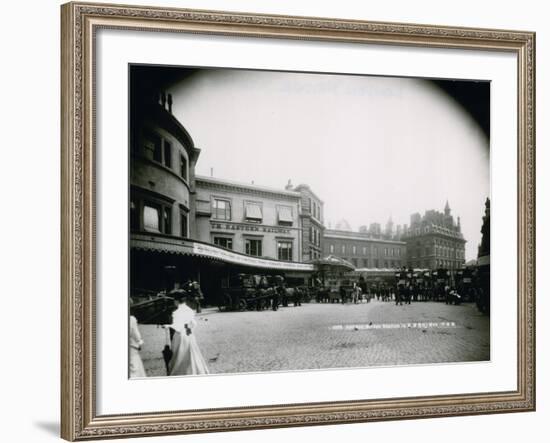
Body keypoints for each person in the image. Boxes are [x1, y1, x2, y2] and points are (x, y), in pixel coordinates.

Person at [165, 297, 209, 376]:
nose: (174, 302)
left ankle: (181, 372)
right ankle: (195, 370)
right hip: (189, 334)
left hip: (181, 335)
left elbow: (178, 326)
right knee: (191, 352)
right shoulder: (189, 310)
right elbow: (194, 323)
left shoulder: (177, 312)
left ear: (177, 300)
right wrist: (189, 330)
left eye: (174, 300)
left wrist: (168, 326)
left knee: (180, 354)